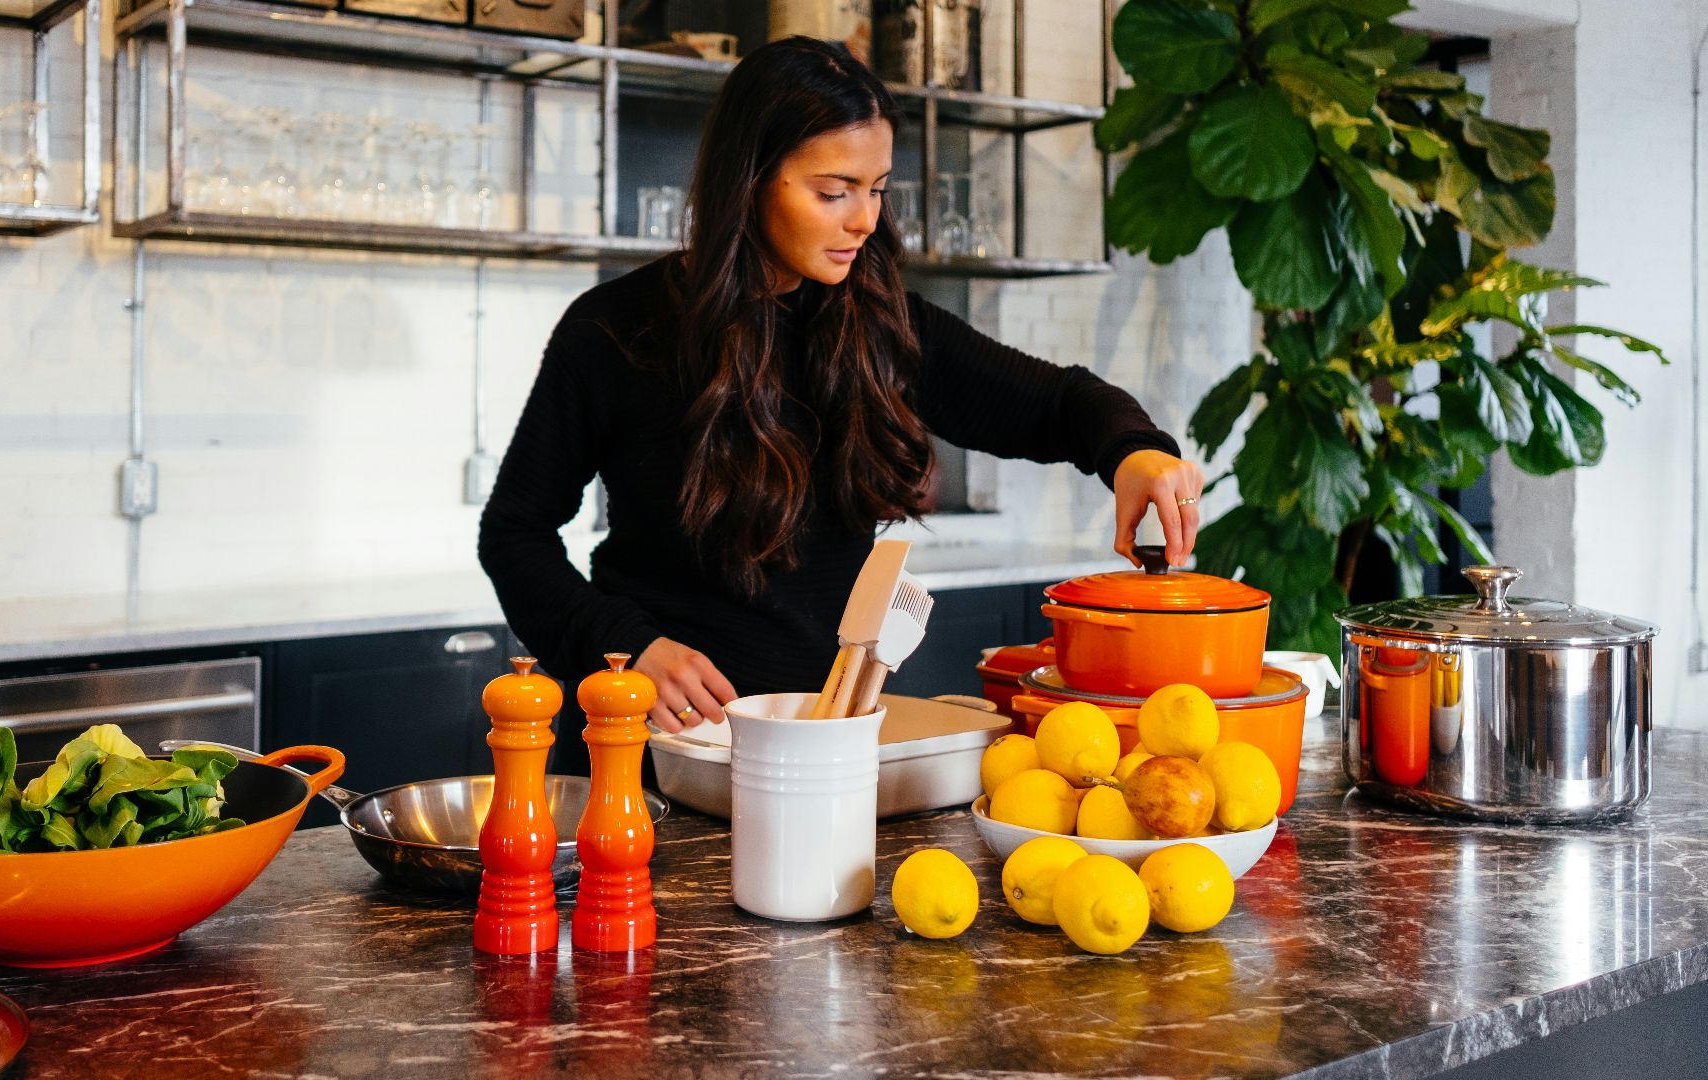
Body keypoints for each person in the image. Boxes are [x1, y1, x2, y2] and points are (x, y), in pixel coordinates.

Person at [478, 37, 1202, 760]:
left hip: (820, 754)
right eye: (834, 192)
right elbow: (514, 534)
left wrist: (1133, 453)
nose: (864, 220)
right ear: (751, 179)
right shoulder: (615, 330)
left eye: (877, 188)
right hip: (649, 755)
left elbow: (1060, 404)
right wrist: (626, 646)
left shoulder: (884, 324)